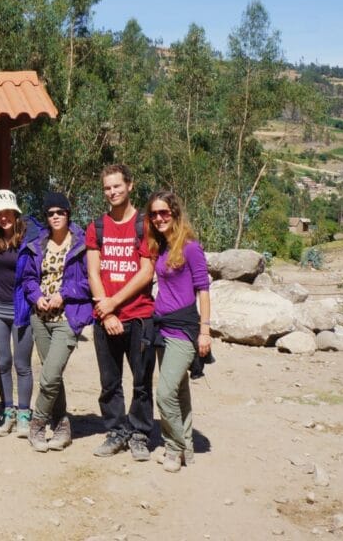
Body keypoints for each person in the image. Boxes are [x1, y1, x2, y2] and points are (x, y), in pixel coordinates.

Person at [86, 164, 156, 462]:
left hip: (139, 316)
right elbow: (93, 272)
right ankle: (116, 431)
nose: (112, 192)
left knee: (141, 381)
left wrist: (113, 303)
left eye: (117, 186)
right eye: (107, 188)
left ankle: (140, 432)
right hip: (106, 319)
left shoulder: (145, 224)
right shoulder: (96, 227)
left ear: (130, 185)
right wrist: (107, 312)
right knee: (109, 381)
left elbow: (146, 272)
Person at [145, 191, 212, 473]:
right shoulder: (161, 247)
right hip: (162, 326)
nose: (159, 218)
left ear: (174, 213)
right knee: (180, 391)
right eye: (154, 214)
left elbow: (203, 290)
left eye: (164, 213)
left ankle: (173, 447)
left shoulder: (190, 247)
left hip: (184, 330)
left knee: (164, 393)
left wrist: (205, 331)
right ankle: (187, 449)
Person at [22, 191, 93, 452]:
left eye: (60, 212)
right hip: (40, 318)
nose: (55, 217)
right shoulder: (39, 243)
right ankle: (62, 426)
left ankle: (37, 424)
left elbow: (90, 281)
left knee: (49, 376)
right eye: (50, 213)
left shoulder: (82, 244)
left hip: (68, 318)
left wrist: (64, 294)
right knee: (54, 375)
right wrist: (36, 296)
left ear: (68, 214)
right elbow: (29, 278)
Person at [0, 189, 40, 438]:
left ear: (15, 213)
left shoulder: (31, 237)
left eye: (8, 212)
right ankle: (8, 413)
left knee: (22, 364)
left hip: (22, 310)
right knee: (3, 364)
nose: (4, 217)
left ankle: (24, 414)